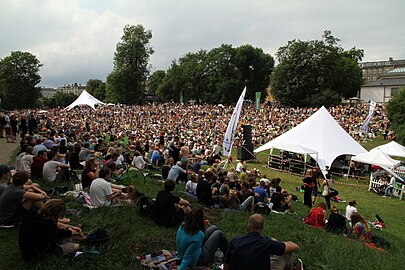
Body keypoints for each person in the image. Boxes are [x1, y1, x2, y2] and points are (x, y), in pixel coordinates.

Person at [224, 214, 299, 270]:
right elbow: (295, 247)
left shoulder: (234, 242)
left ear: (249, 227)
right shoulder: (267, 243)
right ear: (262, 228)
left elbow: (226, 266)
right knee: (286, 253)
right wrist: (278, 242)